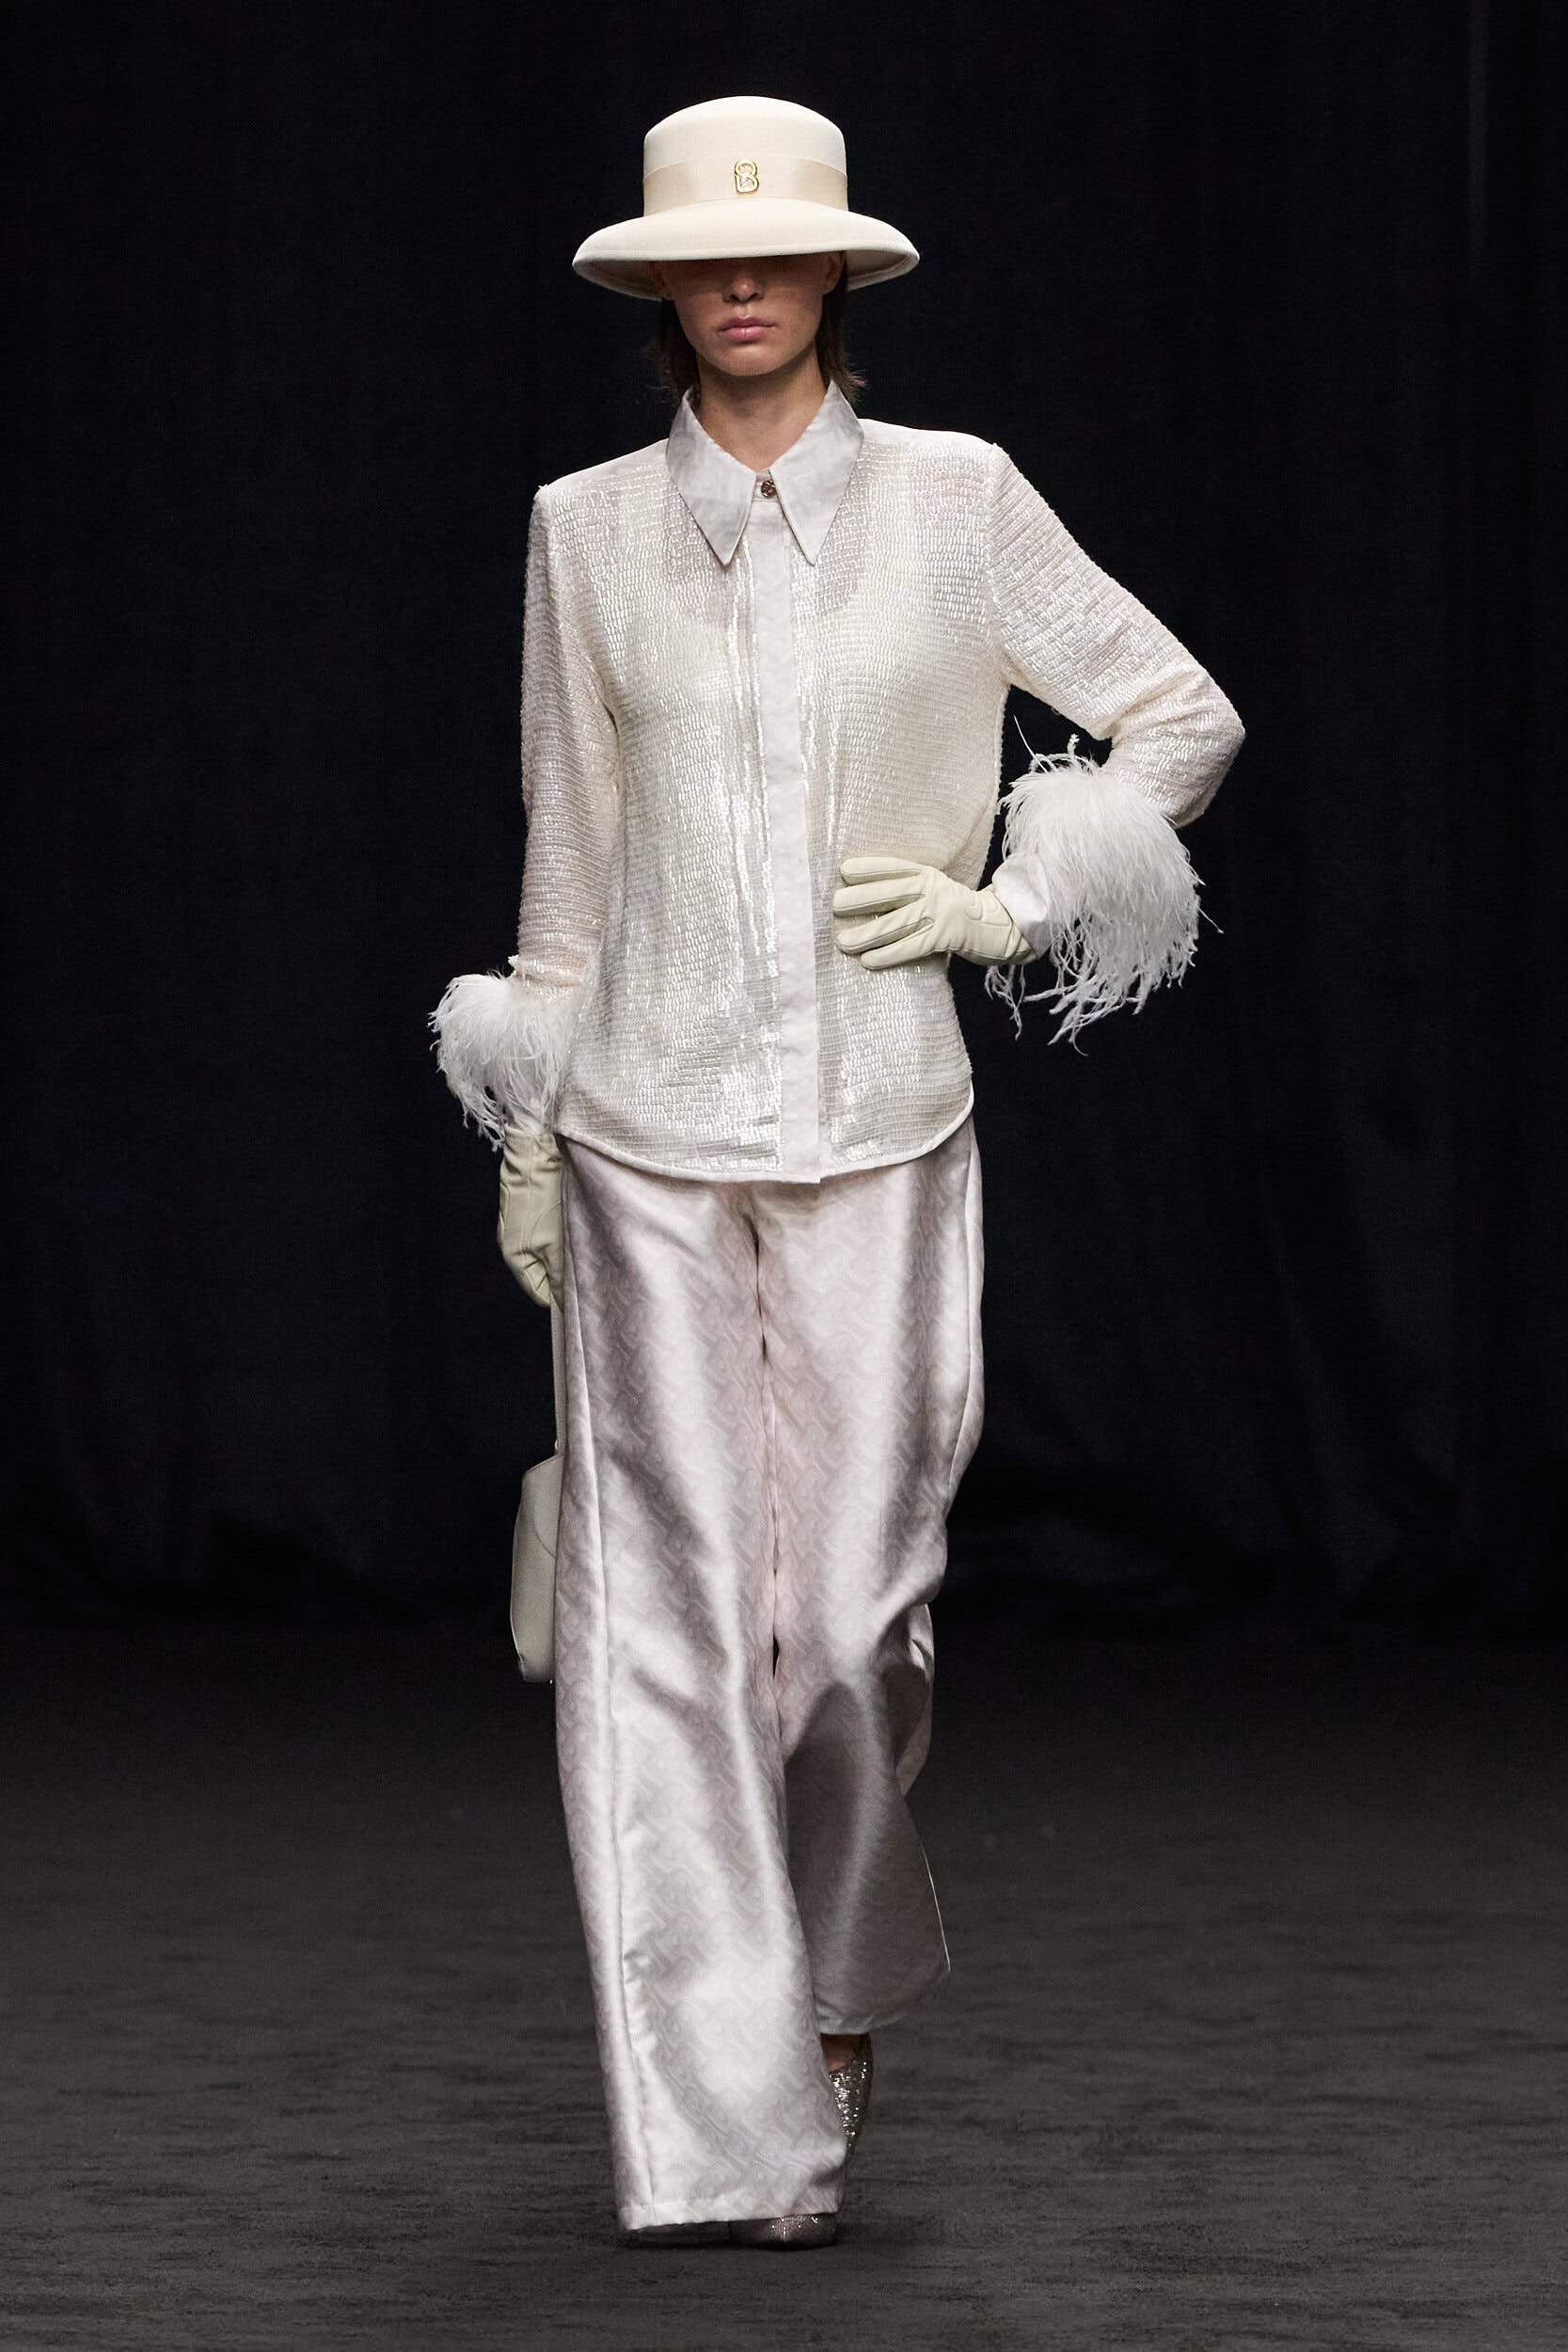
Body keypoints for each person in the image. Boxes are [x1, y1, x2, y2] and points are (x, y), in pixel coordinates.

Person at [435, 95, 1243, 2249]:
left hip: (887, 1119)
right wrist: (532, 1130)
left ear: (835, 274)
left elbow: (1178, 712)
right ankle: (733, 2127)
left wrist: (1011, 898)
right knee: (668, 1630)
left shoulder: (958, 501)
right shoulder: (586, 529)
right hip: (646, 1131)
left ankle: (835, 1980)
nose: (743, 279)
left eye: (779, 247)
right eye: (706, 255)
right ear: (660, 289)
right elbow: (572, 858)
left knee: (856, 1619)